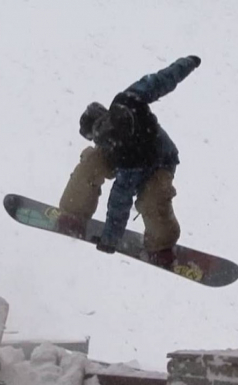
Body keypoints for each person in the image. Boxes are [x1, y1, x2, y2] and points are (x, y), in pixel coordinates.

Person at [58, 55, 201, 270]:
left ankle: (161, 242)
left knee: (152, 198)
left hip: (160, 163)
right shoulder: (128, 99)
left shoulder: (129, 154)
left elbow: (120, 198)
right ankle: (73, 212)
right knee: (91, 163)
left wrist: (110, 237)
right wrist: (186, 64)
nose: (103, 140)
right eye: (99, 136)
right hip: (126, 158)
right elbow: (163, 79)